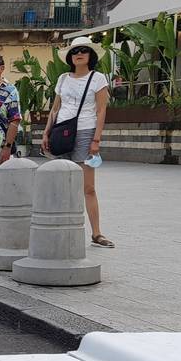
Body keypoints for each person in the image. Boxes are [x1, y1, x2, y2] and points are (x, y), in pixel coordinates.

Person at [42, 36, 114, 248]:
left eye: (83, 50)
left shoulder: (98, 78)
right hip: (61, 132)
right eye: (74, 51)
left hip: (85, 131)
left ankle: (97, 233)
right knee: (61, 181)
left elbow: (101, 110)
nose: (78, 54)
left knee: (88, 186)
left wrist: (96, 140)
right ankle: (57, 228)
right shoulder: (63, 78)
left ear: (90, 55)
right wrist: (46, 133)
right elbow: (55, 108)